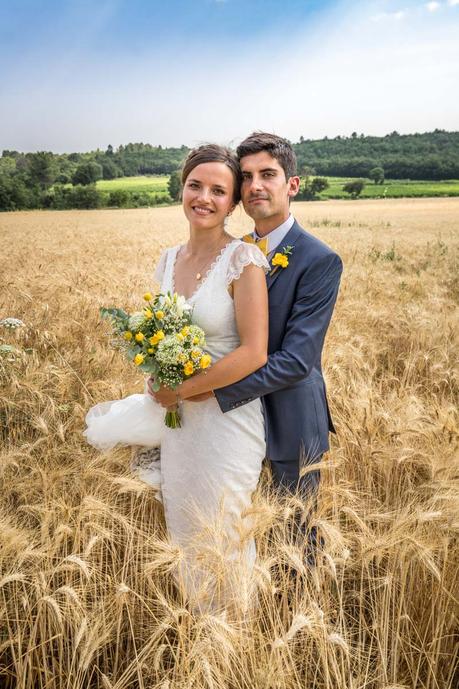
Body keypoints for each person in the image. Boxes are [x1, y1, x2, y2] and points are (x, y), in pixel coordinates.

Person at [155, 132, 343, 562]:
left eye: (269, 175)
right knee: (228, 530)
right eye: (248, 176)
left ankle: (300, 622)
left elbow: (296, 361)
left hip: (287, 416)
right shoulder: (233, 252)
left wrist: (210, 390)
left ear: (291, 185)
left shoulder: (319, 260)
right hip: (224, 421)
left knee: (295, 540)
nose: (256, 185)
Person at [101, 144, 270, 613]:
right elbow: (159, 333)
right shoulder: (167, 258)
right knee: (184, 527)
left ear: (233, 202)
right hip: (177, 422)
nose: (205, 198)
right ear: (182, 188)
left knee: (224, 528)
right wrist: (158, 373)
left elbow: (254, 353)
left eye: (219, 190)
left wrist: (181, 389)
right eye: (196, 185)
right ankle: (199, 634)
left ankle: (234, 641)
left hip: (226, 421)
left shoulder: (245, 260)